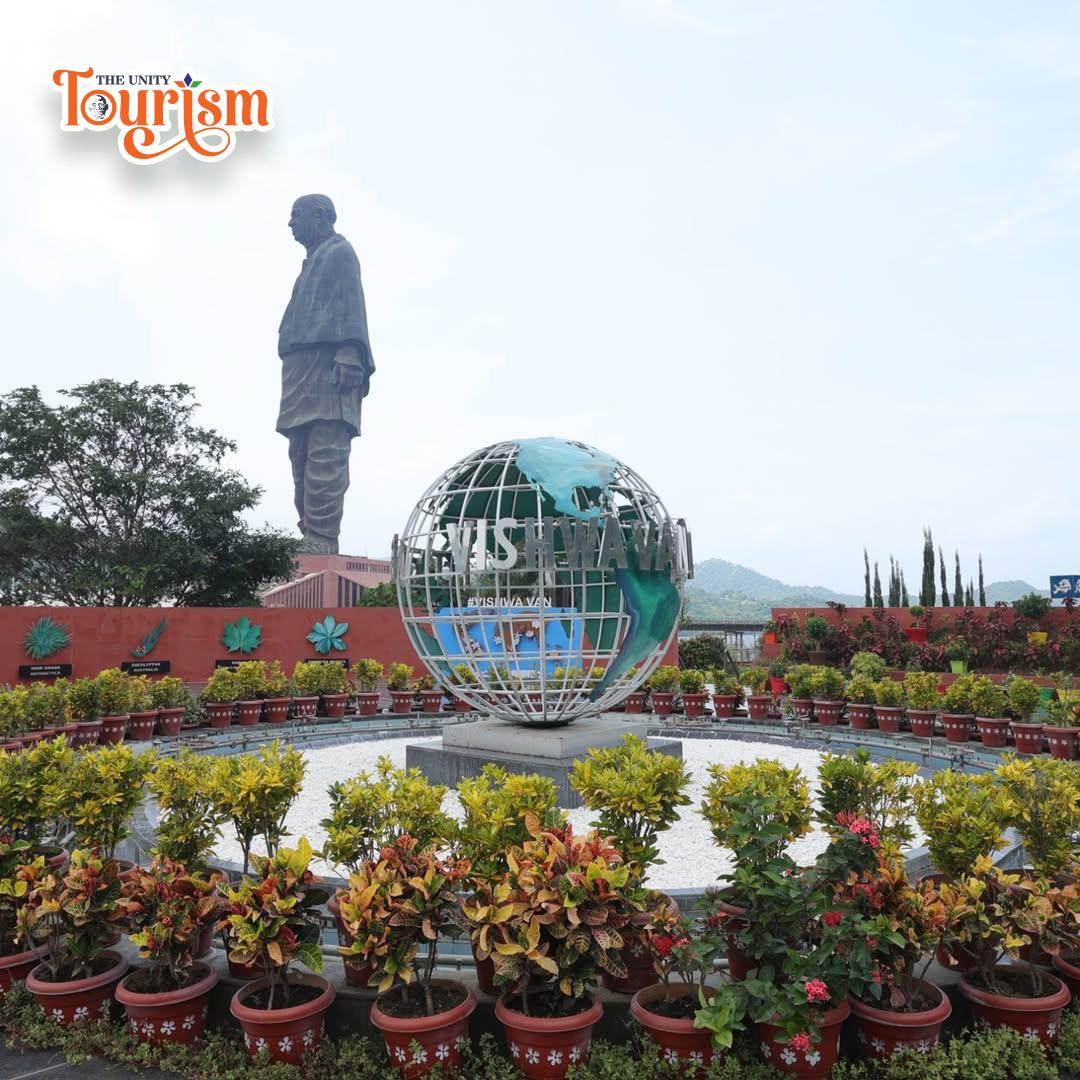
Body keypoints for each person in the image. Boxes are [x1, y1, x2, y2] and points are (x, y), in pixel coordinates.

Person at [277, 194, 374, 553]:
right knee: (299, 453)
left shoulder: (339, 252)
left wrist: (350, 353)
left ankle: (321, 536)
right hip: (301, 371)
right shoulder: (312, 260)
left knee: (326, 451)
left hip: (329, 367)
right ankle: (309, 533)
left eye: (296, 215)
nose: (291, 223)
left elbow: (352, 303)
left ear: (319, 217)